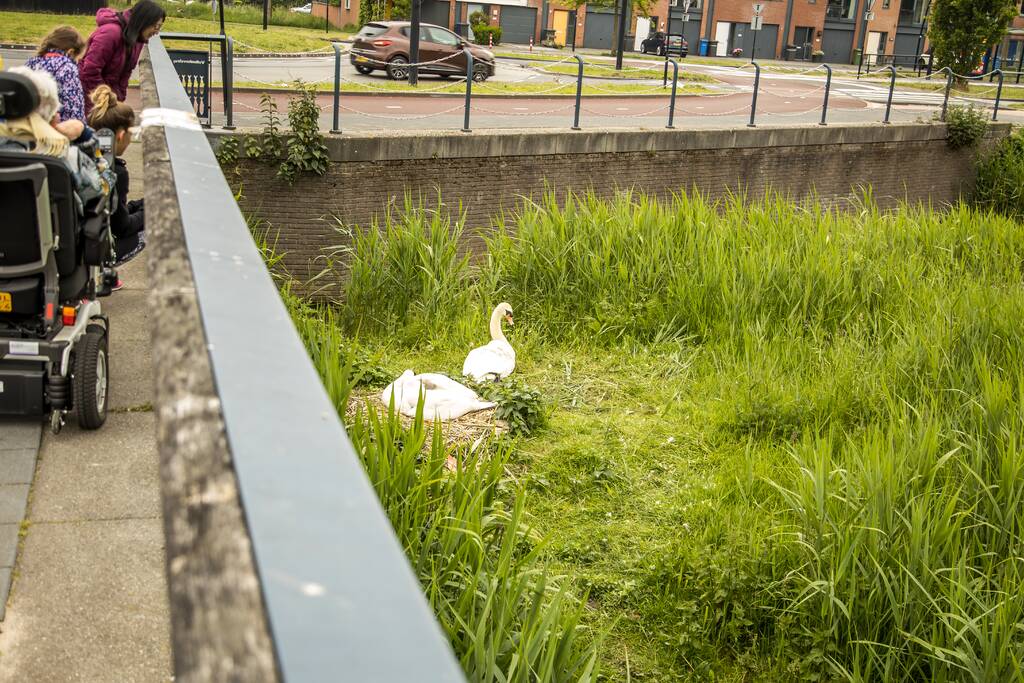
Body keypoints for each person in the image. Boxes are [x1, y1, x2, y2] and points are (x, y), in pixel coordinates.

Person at [86, 85, 145, 271]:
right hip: (95, 251)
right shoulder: (116, 173)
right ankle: (104, 273)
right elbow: (122, 227)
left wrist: (139, 205)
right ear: (120, 135)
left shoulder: (83, 159)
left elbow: (113, 211)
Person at [79, 0, 165, 112]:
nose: (157, 31)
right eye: (156, 26)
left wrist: (119, 99)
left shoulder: (137, 40)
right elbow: (90, 71)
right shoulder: (110, 33)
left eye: (159, 27)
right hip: (88, 96)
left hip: (107, 100)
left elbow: (126, 73)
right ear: (144, 21)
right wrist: (106, 99)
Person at [24, 26, 87, 129]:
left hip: (30, 126)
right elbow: (74, 108)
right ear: (70, 52)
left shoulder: (32, 62)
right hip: (56, 130)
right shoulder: (67, 68)